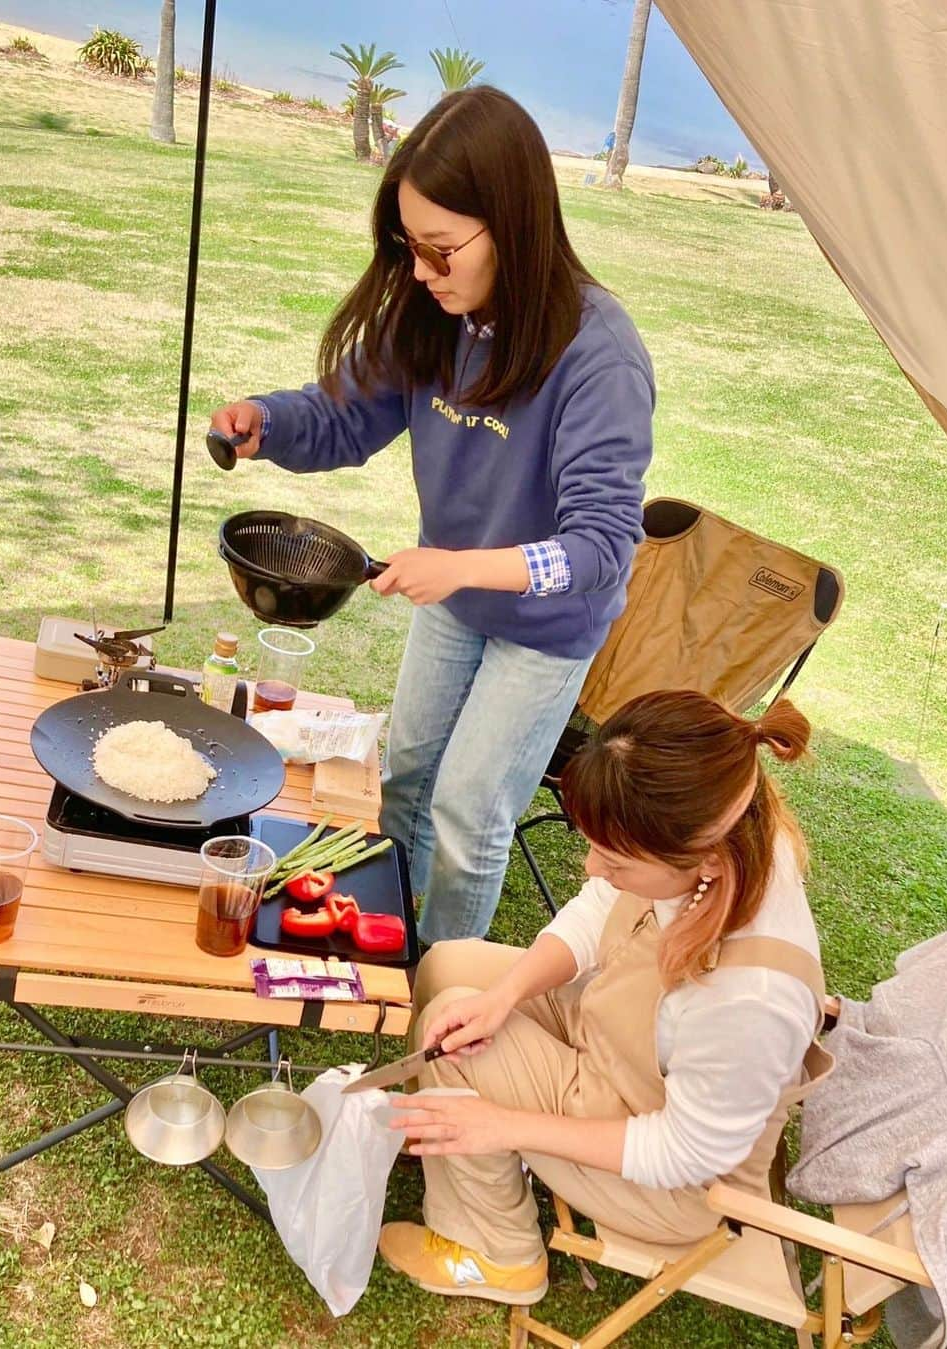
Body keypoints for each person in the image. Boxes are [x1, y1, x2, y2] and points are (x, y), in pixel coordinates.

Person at [210, 86, 654, 945]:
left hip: (547, 625)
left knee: (465, 812)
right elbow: (348, 413)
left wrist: (460, 565)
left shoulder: (598, 354)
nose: (421, 271)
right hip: (457, 597)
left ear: (511, 225)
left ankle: (442, 1009)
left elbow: (601, 544)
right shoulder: (434, 312)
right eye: (410, 247)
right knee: (406, 783)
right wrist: (270, 421)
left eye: (442, 250)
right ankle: (386, 955)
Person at [378, 690, 831, 1307]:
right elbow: (599, 912)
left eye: (617, 862)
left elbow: (683, 1152)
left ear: (707, 863)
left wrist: (503, 1123)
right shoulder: (718, 824)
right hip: (623, 1040)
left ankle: (497, 1253)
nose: (593, 869)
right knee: (450, 967)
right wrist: (506, 994)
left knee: (457, 1054)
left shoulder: (751, 1003)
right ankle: (447, 1139)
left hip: (674, 1181)